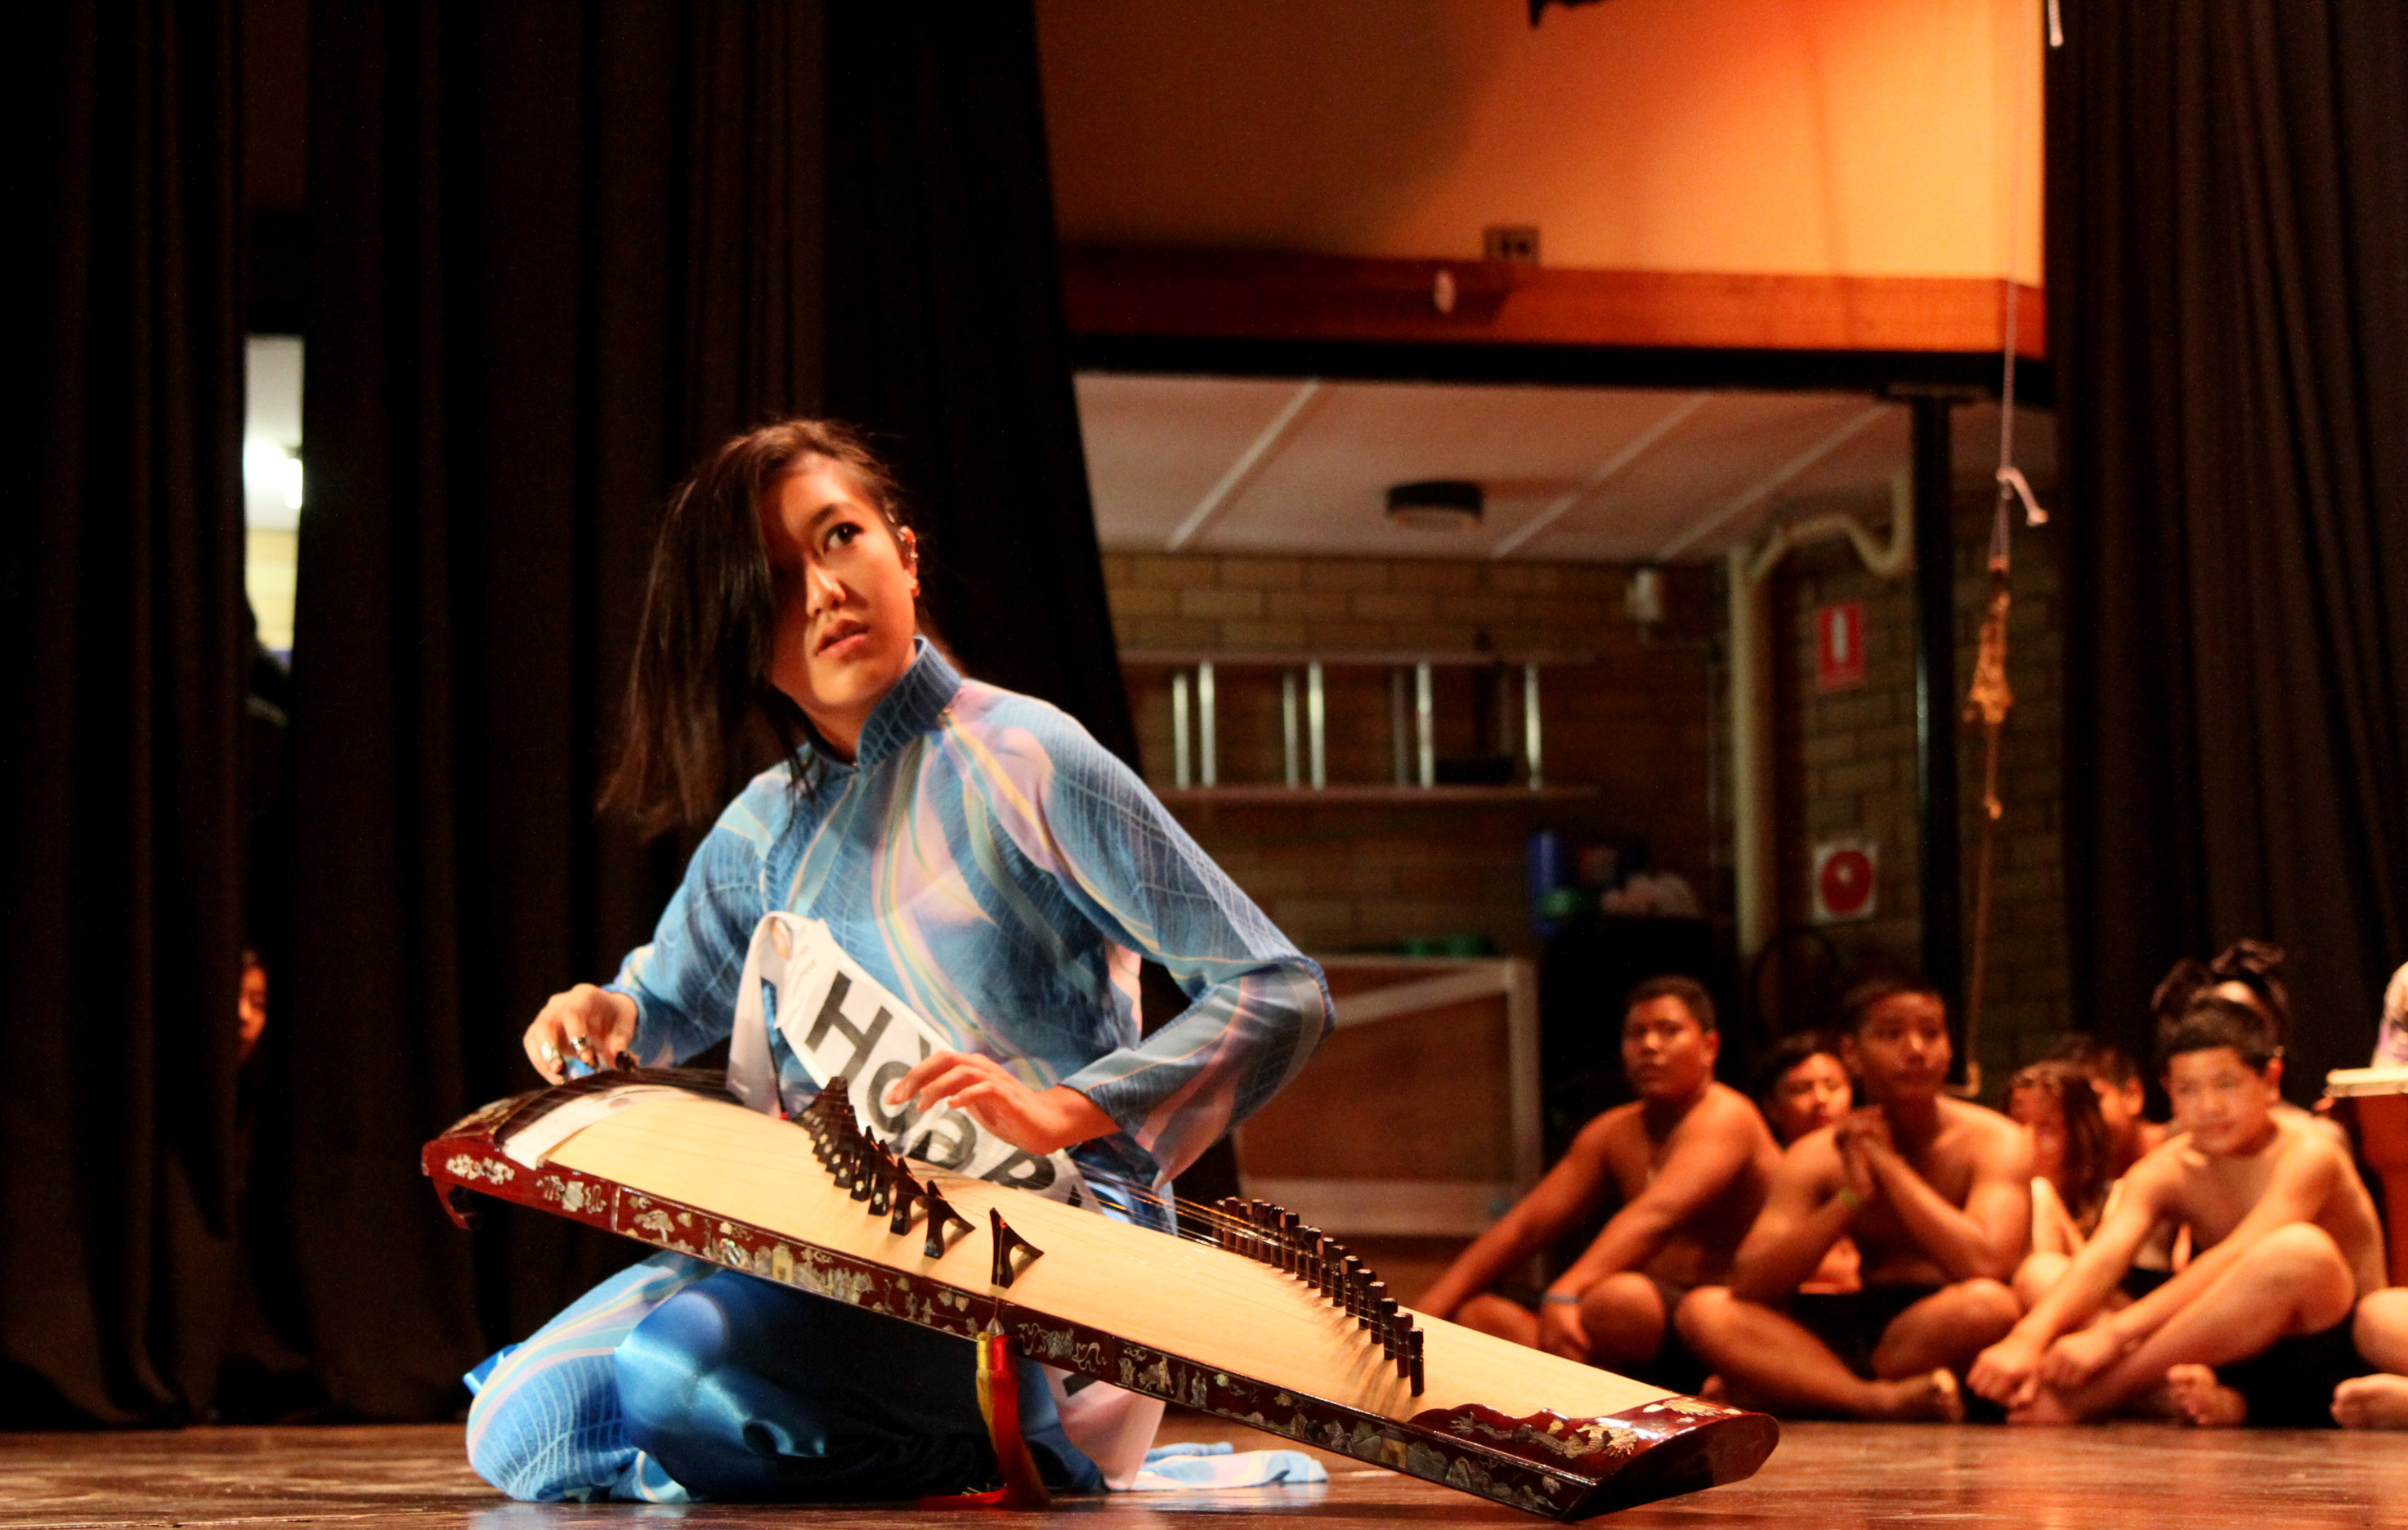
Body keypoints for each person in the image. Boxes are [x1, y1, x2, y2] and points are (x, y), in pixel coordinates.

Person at [463, 420, 1332, 1503]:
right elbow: (657, 1002)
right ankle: (775, 1440)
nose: (826, 590)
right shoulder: (764, 828)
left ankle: (1030, 1448)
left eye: (840, 537)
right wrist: (604, 1013)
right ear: (743, 637)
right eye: (778, 582)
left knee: (673, 1376)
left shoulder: (1026, 756)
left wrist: (1066, 1109)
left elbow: (1277, 989)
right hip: (835, 1238)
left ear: (904, 556)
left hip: (1038, 1255)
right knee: (521, 1428)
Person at [1966, 995, 2386, 1426]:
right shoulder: (2169, 1168)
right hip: (2219, 1346)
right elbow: (2103, 1258)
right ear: (2168, 1092)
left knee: (2299, 1251)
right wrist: (2027, 1339)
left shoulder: (2310, 1153)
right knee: (2043, 1273)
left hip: (2325, 1351)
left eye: (2226, 1084)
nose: (2209, 1106)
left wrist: (2112, 1336)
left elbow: (2238, 1254)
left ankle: (2109, 1391)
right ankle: (2172, 1394)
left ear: (2270, 1080)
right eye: (2189, 1089)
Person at [1674, 978, 2030, 1421]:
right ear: (1852, 1053)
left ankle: (1811, 1389)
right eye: (1892, 1034)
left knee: (1989, 1304)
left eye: (1931, 1033)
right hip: (1851, 1320)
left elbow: (1987, 1263)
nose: (1916, 1050)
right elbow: (1751, 1283)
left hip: (1937, 1325)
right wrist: (1850, 1199)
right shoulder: (1818, 1154)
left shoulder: (1995, 1140)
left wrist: (1888, 1168)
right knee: (1704, 1309)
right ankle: (1872, 1399)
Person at [1417, 976, 1777, 1391]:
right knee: (1480, 1316)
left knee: (1619, 1300)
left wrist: (1567, 1290)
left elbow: (1657, 1217)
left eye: (1668, 1031)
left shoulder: (1727, 1116)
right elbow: (1523, 1228)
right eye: (1636, 1034)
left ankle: (1590, 1385)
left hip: (1718, 1319)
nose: (1650, 1046)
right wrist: (1426, 1315)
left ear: (1709, 1047)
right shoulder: (1614, 1131)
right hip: (1627, 1329)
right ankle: (1585, 1389)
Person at [1755, 1032, 1860, 1294]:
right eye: (1802, 1089)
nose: (1821, 1099)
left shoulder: (1874, 1158)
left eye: (1833, 1087)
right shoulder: (1766, 1168)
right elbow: (1759, 1265)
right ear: (1772, 1107)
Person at [2002, 1062, 2114, 1309]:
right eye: (2017, 1124)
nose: (2026, 1139)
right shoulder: (1995, 1214)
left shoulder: (2120, 1201)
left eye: (2046, 1127)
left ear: (2081, 1134)